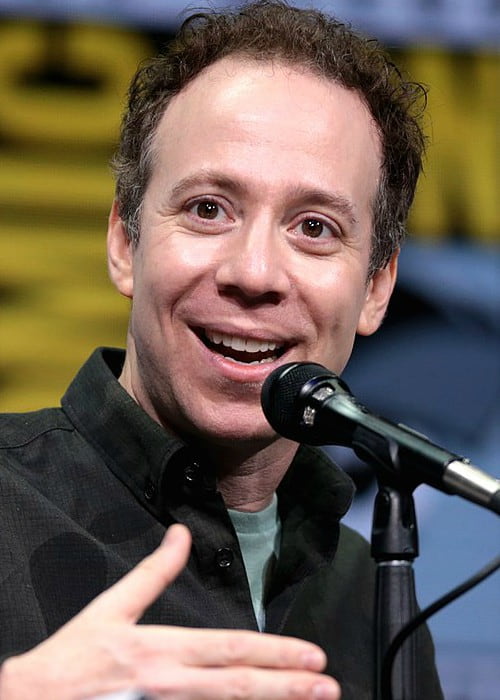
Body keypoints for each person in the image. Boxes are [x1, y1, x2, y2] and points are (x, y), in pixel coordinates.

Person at [0, 1, 443, 698]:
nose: (255, 273)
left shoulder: (370, 587)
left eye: (315, 227)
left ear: (375, 289)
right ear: (125, 240)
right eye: (209, 208)